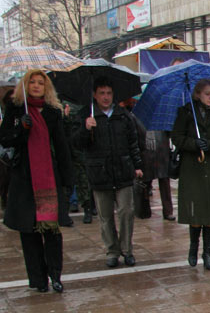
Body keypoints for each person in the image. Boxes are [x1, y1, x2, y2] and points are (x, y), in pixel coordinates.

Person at [0, 70, 73, 292]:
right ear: (25, 85)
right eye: (32, 81)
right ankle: (38, 279)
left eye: (41, 82)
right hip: (24, 179)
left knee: (51, 230)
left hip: (48, 179)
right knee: (29, 232)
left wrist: (68, 180)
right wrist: (21, 128)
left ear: (46, 87)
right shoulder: (15, 110)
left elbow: (62, 148)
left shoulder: (52, 112)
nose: (36, 85)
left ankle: (55, 275)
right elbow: (5, 139)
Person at [74, 77, 143, 268]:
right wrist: (86, 129)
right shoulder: (85, 115)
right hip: (99, 172)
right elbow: (78, 145)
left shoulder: (123, 115)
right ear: (95, 95)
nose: (106, 97)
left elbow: (133, 142)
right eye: (102, 93)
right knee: (105, 215)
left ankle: (127, 249)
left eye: (109, 93)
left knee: (126, 211)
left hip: (123, 169)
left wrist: (137, 165)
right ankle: (112, 250)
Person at [171, 79, 210, 270]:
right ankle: (193, 248)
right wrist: (194, 144)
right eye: (207, 93)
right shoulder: (187, 112)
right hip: (191, 168)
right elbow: (176, 137)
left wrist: (209, 145)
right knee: (195, 211)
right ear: (198, 94)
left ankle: (208, 253)